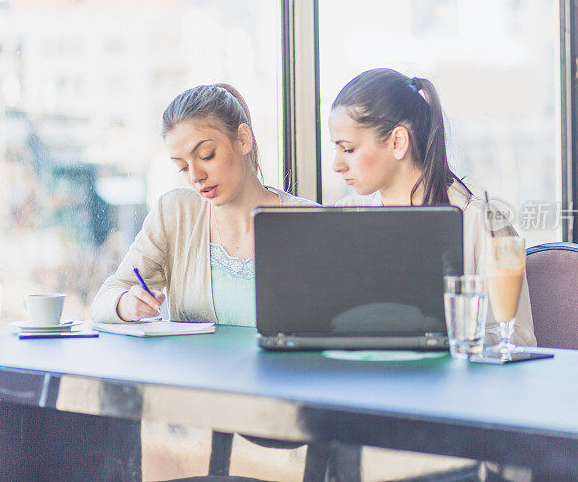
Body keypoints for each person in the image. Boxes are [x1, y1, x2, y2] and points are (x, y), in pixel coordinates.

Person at [327, 68, 536, 347]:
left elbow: (519, 339)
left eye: (348, 149)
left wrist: (443, 333)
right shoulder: (345, 216)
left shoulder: (481, 223)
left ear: (397, 142)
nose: (336, 165)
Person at [92, 83, 316, 325]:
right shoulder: (175, 213)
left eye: (206, 155)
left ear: (243, 139)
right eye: (183, 166)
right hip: (191, 365)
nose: (195, 175)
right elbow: (106, 297)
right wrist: (125, 304)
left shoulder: (310, 222)